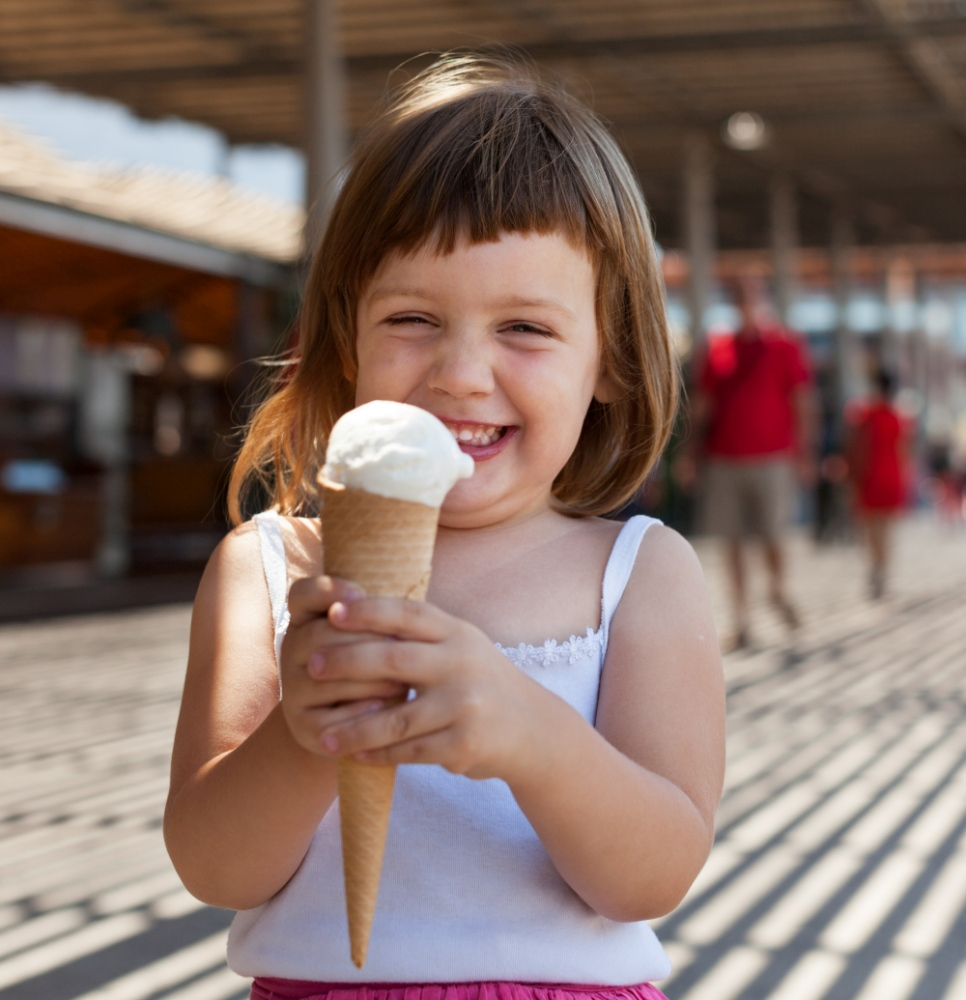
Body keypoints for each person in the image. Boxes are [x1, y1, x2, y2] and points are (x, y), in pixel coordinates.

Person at [164, 54, 725, 1000]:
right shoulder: (265, 568)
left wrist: (529, 735)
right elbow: (215, 869)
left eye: (526, 329)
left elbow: (654, 877)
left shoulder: (637, 574)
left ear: (612, 361)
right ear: (347, 341)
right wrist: (306, 734)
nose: (463, 373)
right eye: (415, 317)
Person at [687, 276, 815, 650]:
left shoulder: (785, 345)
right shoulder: (718, 347)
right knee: (732, 542)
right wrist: (691, 455)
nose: (745, 303)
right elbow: (703, 407)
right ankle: (742, 620)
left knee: (773, 535)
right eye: (739, 296)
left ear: (762, 299)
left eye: (751, 295)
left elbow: (802, 401)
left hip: (773, 458)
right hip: (725, 459)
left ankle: (777, 591)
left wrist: (804, 453)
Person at [846, 368, 909, 598]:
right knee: (886, 529)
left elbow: (855, 447)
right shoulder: (898, 416)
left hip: (870, 476)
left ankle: (875, 569)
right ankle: (881, 570)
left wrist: (852, 477)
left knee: (870, 529)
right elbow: (904, 451)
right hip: (892, 475)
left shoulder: (864, 414)